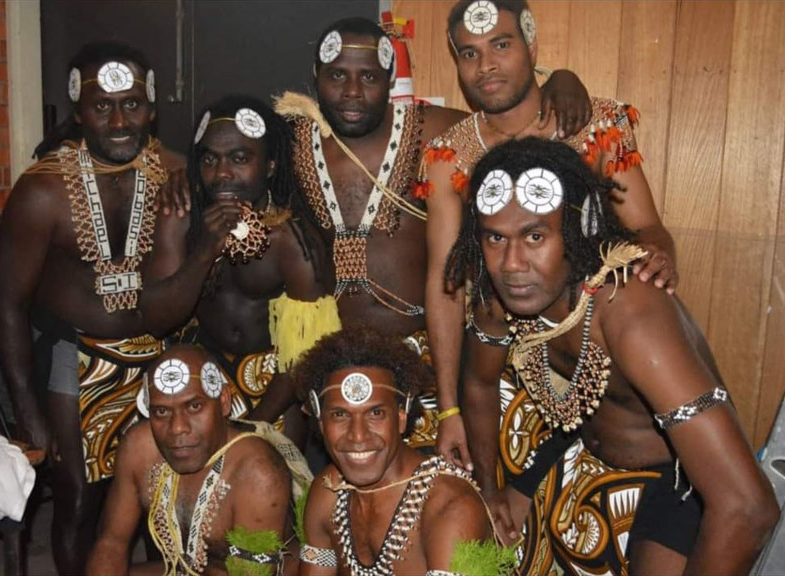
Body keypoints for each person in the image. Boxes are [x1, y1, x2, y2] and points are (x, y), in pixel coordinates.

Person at [447, 136, 778, 574]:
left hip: (673, 481)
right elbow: (479, 383)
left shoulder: (630, 313)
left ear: (577, 232)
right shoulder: (499, 296)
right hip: (574, 448)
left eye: (535, 236)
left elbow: (749, 507)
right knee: (468, 549)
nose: (511, 263)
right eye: (494, 238)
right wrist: (489, 489)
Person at [276, 16, 590, 448]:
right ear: (315, 78)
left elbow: (510, 124)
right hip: (332, 362)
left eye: (368, 77)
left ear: (390, 81)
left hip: (423, 360)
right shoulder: (292, 138)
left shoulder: (439, 131)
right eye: (336, 76)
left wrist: (560, 79)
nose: (351, 92)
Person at [420, 0, 679, 474]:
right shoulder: (449, 155)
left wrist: (659, 251)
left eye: (501, 44)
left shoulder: (596, 125)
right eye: (470, 53)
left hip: (604, 359)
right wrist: (449, 408)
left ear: (530, 44)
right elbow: (445, 280)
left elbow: (647, 227)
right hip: (500, 363)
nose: (487, 65)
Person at [0, 42, 184, 575]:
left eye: (132, 104)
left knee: (159, 495)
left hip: (157, 355)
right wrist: (25, 410)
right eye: (102, 106)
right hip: (73, 358)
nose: (120, 121)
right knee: (79, 501)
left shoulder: (177, 173)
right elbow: (8, 304)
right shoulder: (41, 190)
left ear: (151, 108)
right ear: (79, 111)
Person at [139, 95, 339, 445]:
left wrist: (250, 426)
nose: (222, 174)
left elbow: (306, 353)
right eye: (210, 160)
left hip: (276, 386)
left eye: (240, 158)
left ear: (271, 166)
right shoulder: (182, 218)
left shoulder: (290, 239)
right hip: (202, 372)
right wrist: (205, 251)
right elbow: (156, 320)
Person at [293, 327, 511, 576]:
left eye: (376, 413)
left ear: (401, 417)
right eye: (340, 415)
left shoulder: (450, 508)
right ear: (320, 423)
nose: (358, 436)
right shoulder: (328, 491)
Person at [87, 344, 312, 576]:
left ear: (223, 401)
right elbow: (111, 544)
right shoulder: (138, 447)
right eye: (161, 412)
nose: (177, 429)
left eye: (194, 407)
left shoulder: (257, 472)